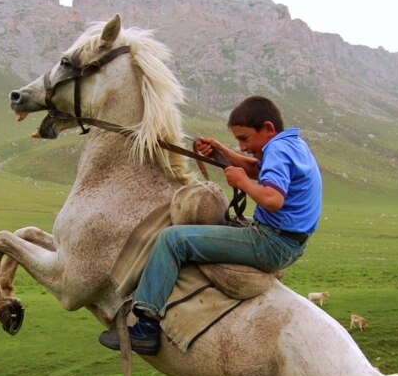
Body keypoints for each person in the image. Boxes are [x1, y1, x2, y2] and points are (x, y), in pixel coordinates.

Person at [100, 95, 323, 355]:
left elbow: (273, 199)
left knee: (173, 240)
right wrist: (221, 151)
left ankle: (146, 327)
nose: (242, 147)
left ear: (268, 129)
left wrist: (241, 182)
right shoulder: (291, 143)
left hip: (271, 242)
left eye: (244, 139)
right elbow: (256, 168)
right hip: (288, 241)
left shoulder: (276, 149)